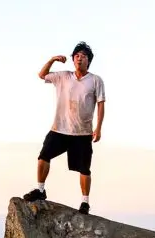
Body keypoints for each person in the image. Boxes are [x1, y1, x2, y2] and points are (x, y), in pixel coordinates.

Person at [22, 41, 105, 214]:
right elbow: (41, 75)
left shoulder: (95, 80)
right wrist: (52, 59)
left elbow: (101, 104)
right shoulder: (63, 76)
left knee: (84, 169)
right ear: (73, 59)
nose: (79, 58)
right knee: (43, 156)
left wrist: (98, 128)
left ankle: (85, 203)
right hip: (59, 129)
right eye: (76, 56)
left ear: (88, 60)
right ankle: (41, 190)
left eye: (83, 56)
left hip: (82, 132)